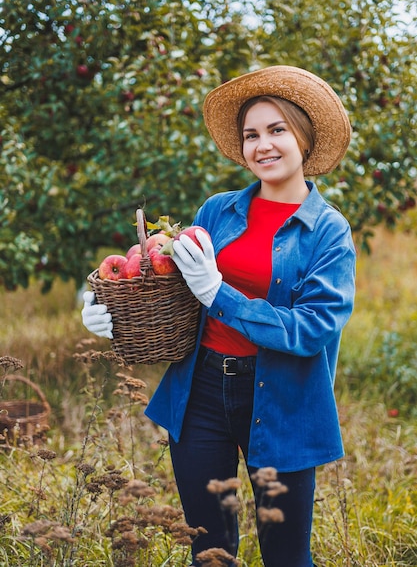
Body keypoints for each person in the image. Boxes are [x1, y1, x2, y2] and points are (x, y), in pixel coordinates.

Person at [82, 65, 356, 567]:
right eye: (252, 134)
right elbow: (167, 283)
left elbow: (313, 327)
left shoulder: (328, 232)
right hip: (202, 391)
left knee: (287, 556)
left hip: (282, 398)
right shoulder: (219, 211)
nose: (263, 145)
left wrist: (221, 294)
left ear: (305, 139)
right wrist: (112, 306)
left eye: (277, 130)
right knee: (208, 549)